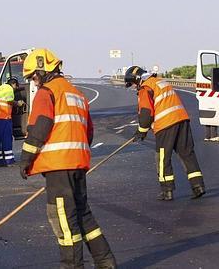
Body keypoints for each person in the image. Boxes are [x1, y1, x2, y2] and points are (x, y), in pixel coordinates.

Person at [19, 48, 116, 269]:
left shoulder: (47, 92)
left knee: (64, 220)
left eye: (34, 76)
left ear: (43, 70)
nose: (33, 83)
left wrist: (25, 161)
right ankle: (106, 262)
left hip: (59, 168)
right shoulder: (76, 94)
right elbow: (88, 132)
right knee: (83, 215)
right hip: (77, 165)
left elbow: (38, 130)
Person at [124, 66, 206, 201]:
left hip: (166, 124)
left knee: (162, 158)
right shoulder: (160, 81)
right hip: (182, 120)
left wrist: (141, 131)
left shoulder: (145, 88)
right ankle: (198, 186)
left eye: (132, 84)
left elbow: (146, 113)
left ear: (137, 80)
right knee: (187, 154)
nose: (133, 87)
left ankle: (167, 190)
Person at [0, 77, 24, 165]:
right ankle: (9, 159)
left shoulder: (0, 87)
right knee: (7, 138)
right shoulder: (9, 89)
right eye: (16, 87)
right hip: (4, 117)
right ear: (13, 84)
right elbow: (9, 100)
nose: (15, 89)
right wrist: (18, 103)